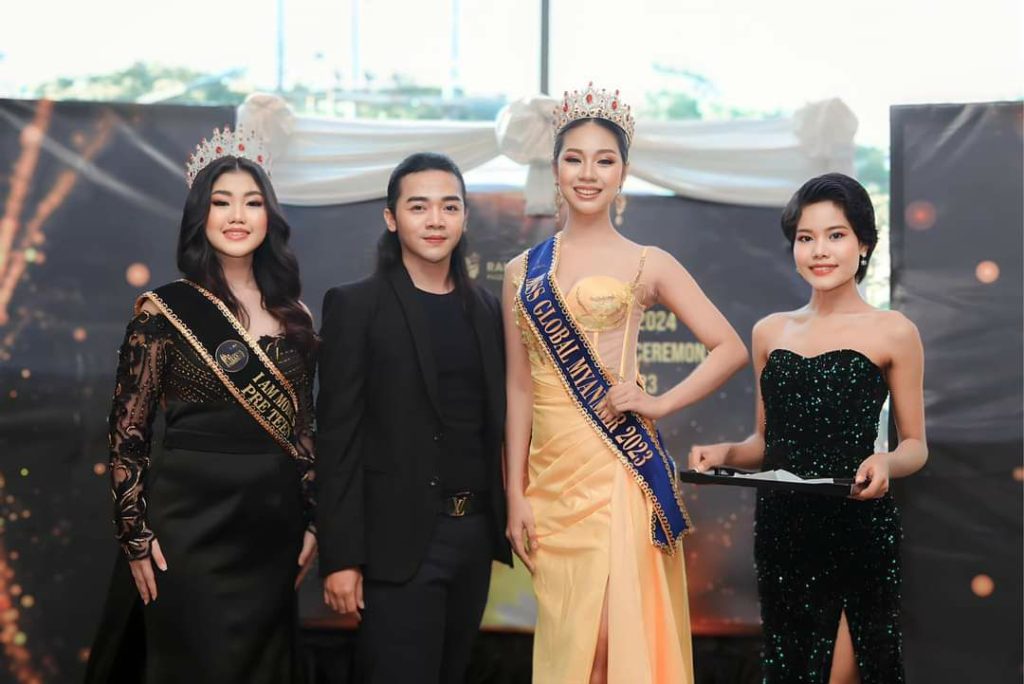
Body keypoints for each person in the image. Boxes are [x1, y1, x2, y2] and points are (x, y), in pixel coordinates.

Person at [503, 84, 749, 684]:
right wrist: (514, 492)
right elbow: (518, 389)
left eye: (604, 160)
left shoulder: (648, 262)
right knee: (571, 645)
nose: (588, 174)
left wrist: (658, 402)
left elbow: (730, 347)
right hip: (550, 482)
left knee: (610, 645)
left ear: (623, 173)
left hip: (617, 467)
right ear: (555, 168)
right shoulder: (520, 273)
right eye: (574, 159)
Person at [85, 127, 318, 684]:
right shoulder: (164, 312)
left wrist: (314, 520)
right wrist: (135, 537)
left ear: (269, 217)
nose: (237, 216)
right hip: (187, 526)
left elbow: (304, 430)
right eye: (221, 202)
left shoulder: (296, 316)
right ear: (201, 216)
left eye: (252, 203)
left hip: (271, 526)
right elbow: (127, 437)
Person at [689, 173, 928, 683]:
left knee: (858, 667)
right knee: (790, 666)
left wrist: (885, 461)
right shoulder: (769, 331)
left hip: (858, 525)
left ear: (864, 244)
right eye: (806, 237)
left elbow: (915, 445)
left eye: (835, 235)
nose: (819, 250)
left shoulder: (894, 331)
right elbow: (764, 444)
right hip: (783, 529)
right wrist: (724, 453)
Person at [316, 152, 512, 684]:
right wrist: (341, 557)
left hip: (473, 537)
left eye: (449, 206)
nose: (435, 220)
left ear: (464, 217)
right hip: (395, 544)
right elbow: (337, 439)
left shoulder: (488, 309)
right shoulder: (356, 306)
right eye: (418, 206)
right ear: (391, 217)